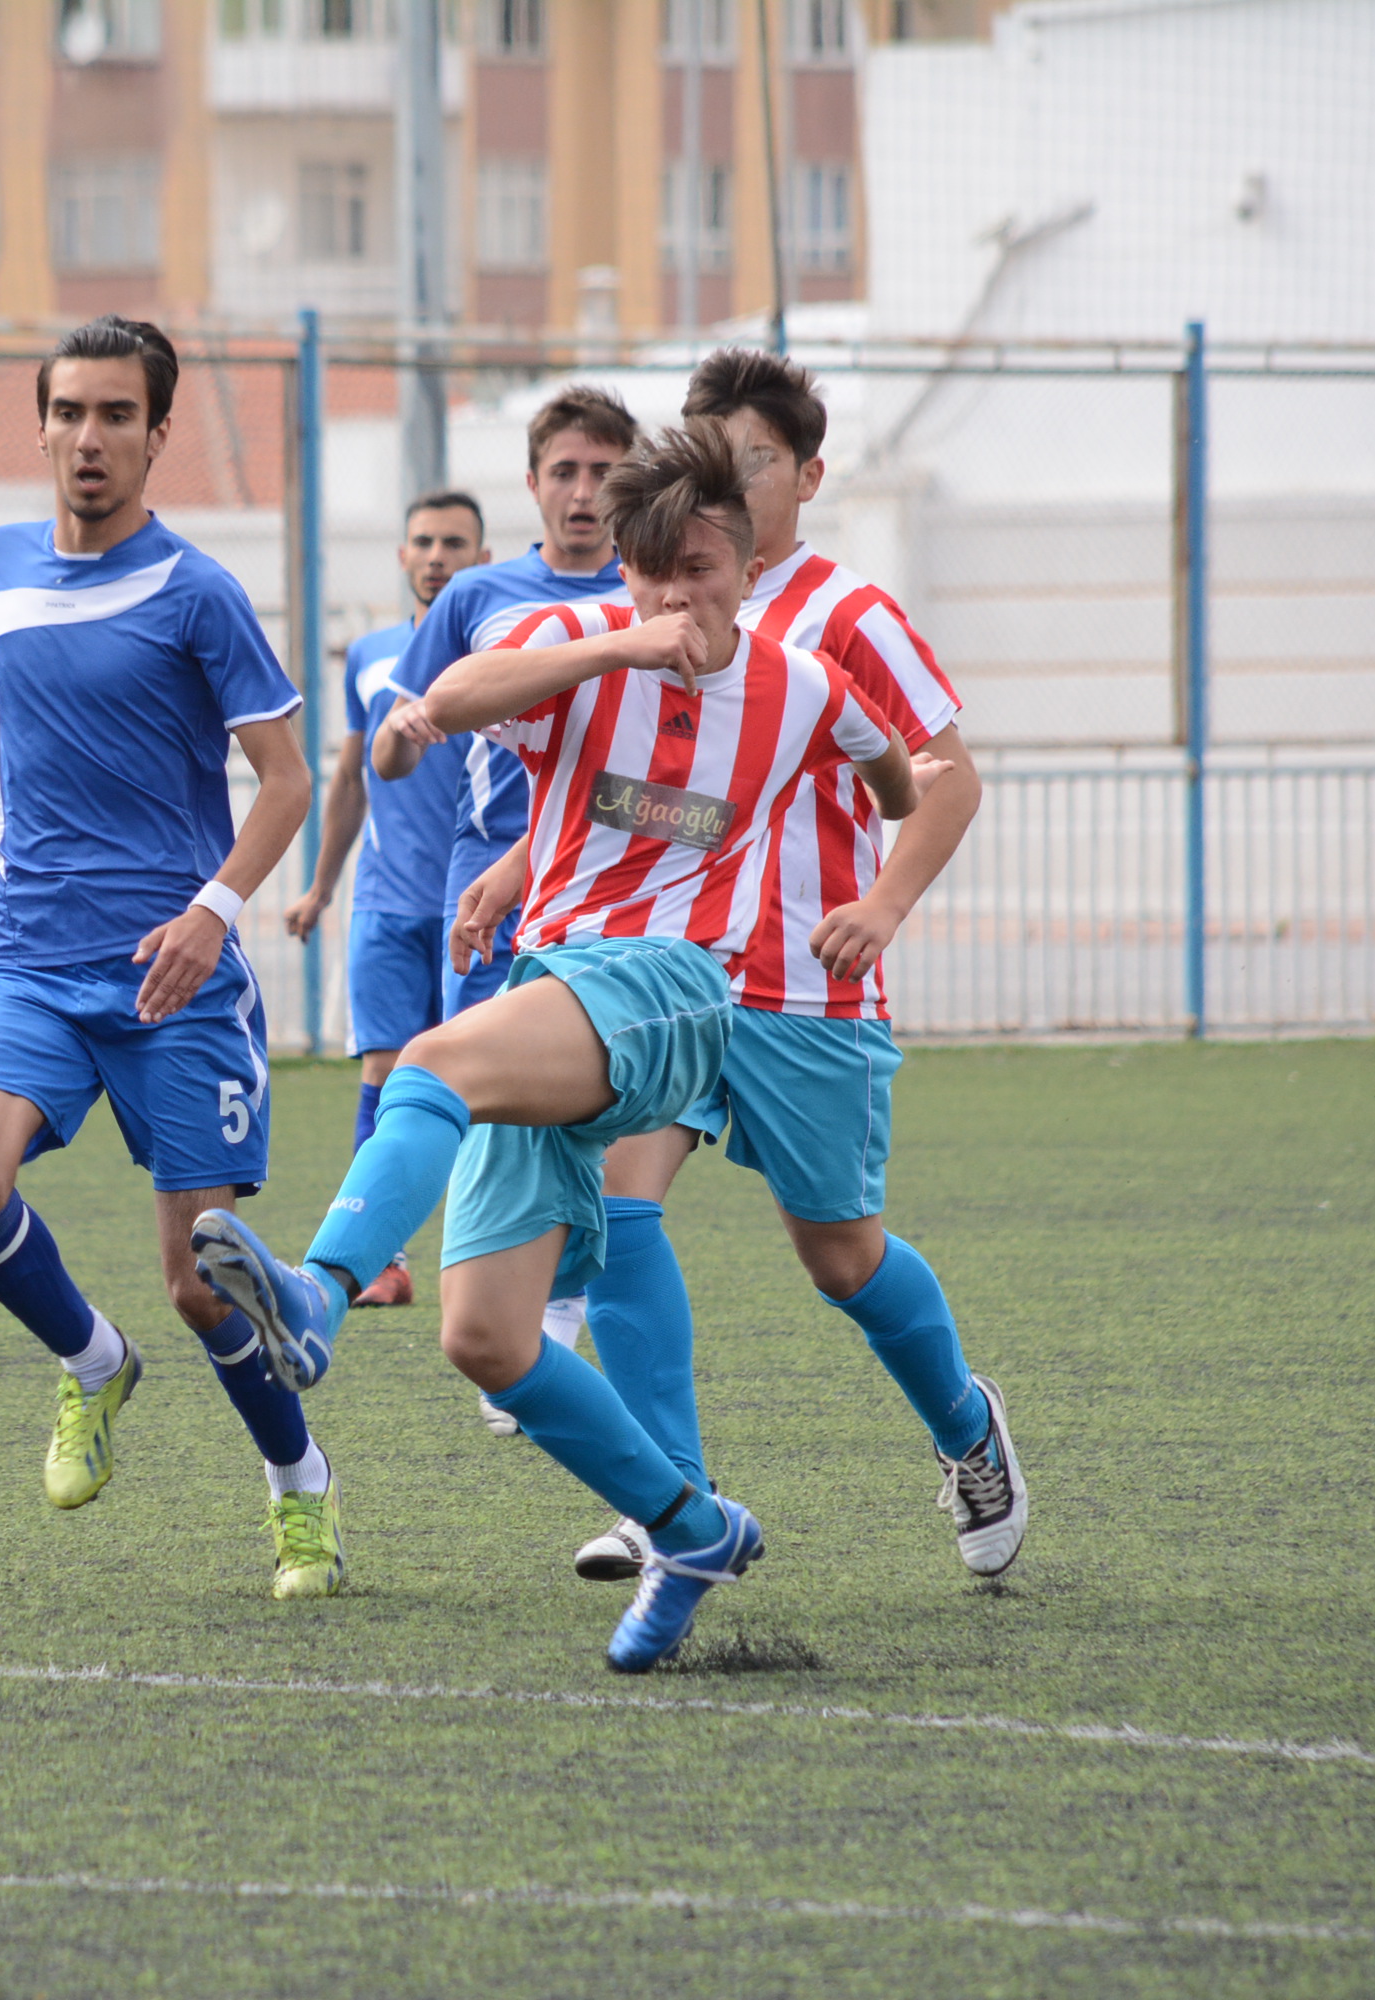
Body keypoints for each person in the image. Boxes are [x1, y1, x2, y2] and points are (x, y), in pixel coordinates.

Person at [193, 423, 922, 1670]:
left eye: (695, 568)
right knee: (485, 1335)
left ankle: (315, 1297)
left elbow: (896, 773)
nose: (669, 593)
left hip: (681, 987)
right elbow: (454, 698)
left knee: (430, 1064)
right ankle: (689, 1526)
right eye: (647, 570)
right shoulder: (584, 650)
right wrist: (610, 647)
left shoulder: (800, 683)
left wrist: (871, 854)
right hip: (558, 978)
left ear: (745, 568)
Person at [0, 316, 342, 1601]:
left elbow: (284, 779)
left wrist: (215, 907)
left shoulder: (198, 592)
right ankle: (93, 1365)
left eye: (116, 416)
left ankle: (299, 1488)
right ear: (39, 425)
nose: (88, 438)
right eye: (68, 414)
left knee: (205, 1282)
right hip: (34, 965)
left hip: (176, 982)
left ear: (159, 433)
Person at [514, 347, 1023, 1587]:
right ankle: (667, 1505)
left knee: (839, 1255)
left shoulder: (844, 615)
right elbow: (611, 777)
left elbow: (942, 776)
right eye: (706, 445)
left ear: (804, 475)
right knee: (622, 1205)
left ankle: (966, 1426)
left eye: (751, 456)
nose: (725, 474)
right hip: (675, 975)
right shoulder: (656, 600)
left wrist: (884, 903)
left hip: (806, 986)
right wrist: (507, 873)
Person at [368, 386, 638, 1429]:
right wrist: (400, 737)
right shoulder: (479, 595)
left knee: (597, 1113)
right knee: (481, 1095)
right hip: (483, 883)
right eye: (563, 471)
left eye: (602, 471)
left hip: (609, 888)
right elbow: (405, 727)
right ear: (531, 484)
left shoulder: (652, 597)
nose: (582, 491)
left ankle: (551, 1312)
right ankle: (500, 1309)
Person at [281, 491, 493, 1311]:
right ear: (403, 557)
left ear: (481, 560)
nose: (436, 555)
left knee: (488, 1088)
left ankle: (497, 1264)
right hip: (385, 902)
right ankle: (384, 1259)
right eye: (423, 541)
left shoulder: (500, 651)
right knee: (384, 1070)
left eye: (454, 543)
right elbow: (349, 778)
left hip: (477, 902)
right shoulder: (370, 656)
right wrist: (320, 887)